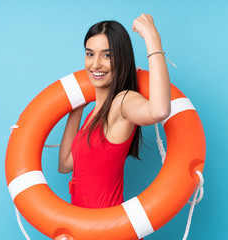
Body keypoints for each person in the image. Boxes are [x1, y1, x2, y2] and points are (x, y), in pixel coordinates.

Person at [55, 13, 171, 240]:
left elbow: (159, 111)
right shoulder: (93, 114)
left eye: (106, 55)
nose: (95, 64)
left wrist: (152, 38)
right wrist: (76, 107)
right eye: (90, 54)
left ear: (122, 58)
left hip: (108, 232)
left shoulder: (122, 102)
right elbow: (65, 164)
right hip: (84, 230)